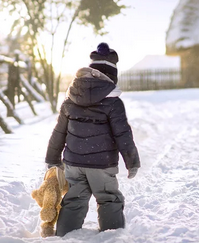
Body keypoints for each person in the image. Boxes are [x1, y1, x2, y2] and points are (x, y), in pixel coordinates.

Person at [44, 42, 141, 236]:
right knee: (108, 198)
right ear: (112, 76)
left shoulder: (70, 98)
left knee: (73, 200)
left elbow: (59, 132)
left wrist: (52, 159)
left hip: (74, 163)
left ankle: (64, 236)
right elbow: (123, 135)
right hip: (102, 165)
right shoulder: (113, 103)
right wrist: (132, 162)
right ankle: (111, 236)